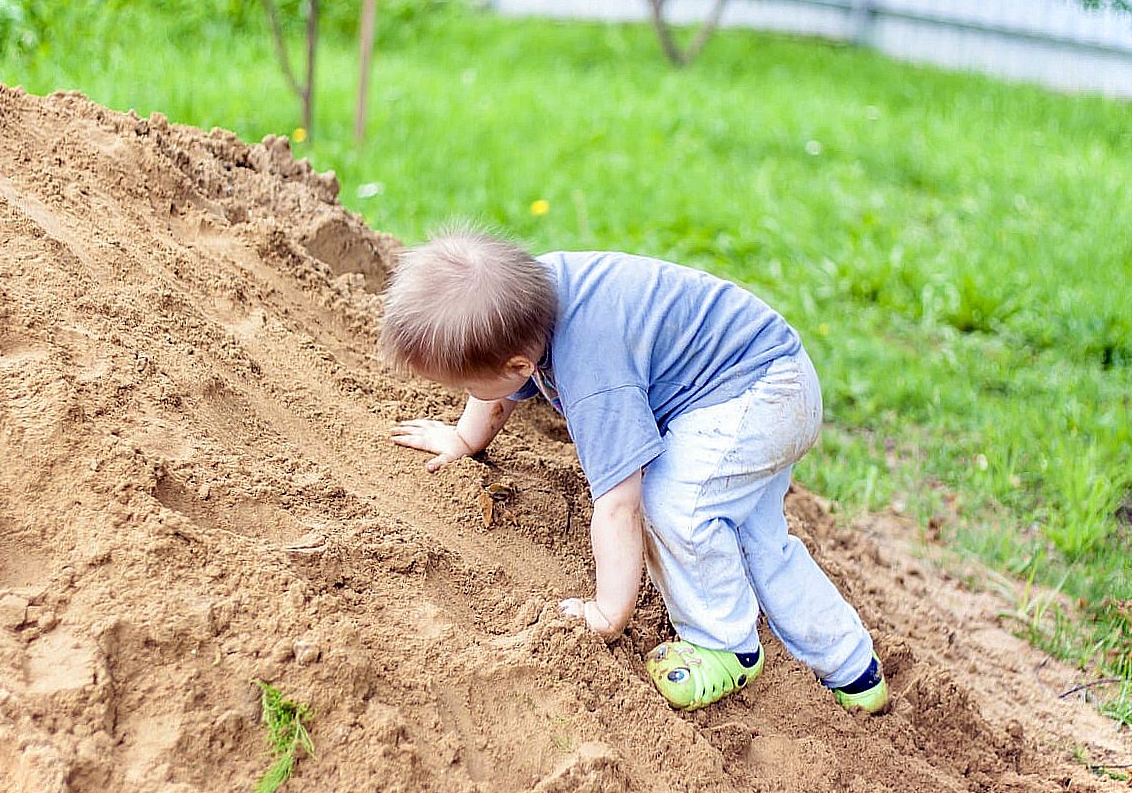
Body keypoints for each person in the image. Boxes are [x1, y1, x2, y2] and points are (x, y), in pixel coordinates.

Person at [380, 229, 888, 714]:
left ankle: (725, 646)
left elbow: (620, 502)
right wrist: (465, 438)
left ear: (516, 365)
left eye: (464, 383)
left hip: (757, 396)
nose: (461, 393)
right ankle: (851, 668)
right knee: (760, 539)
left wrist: (609, 611)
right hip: (774, 377)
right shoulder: (526, 303)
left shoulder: (592, 366)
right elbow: (502, 385)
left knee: (674, 506)